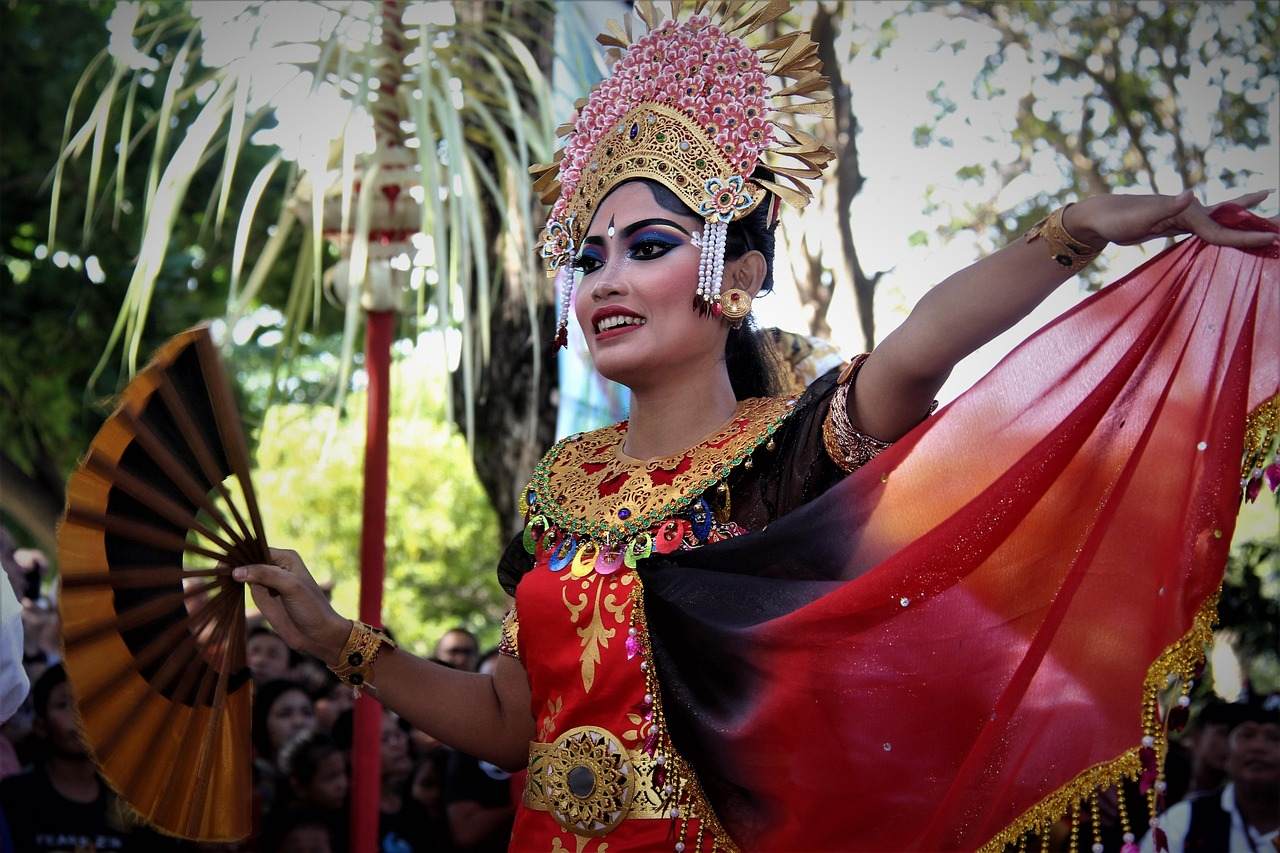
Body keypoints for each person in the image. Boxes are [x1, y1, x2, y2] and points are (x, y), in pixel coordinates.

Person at [231, 3, 1278, 851]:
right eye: (586, 257)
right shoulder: (561, 486)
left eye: (646, 244)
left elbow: (919, 348)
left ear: (731, 273)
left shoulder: (797, 448)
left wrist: (1077, 229)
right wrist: (337, 642)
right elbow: (513, 717)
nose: (605, 280)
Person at [0, 664, 174, 851]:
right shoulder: (14, 798)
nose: (79, 714)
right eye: (63, 704)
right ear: (40, 726)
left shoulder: (132, 806)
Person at [1140, 700, 1280, 853]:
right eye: (1246, 736)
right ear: (1227, 756)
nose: (1258, 747)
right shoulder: (1184, 820)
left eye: (1274, 738)